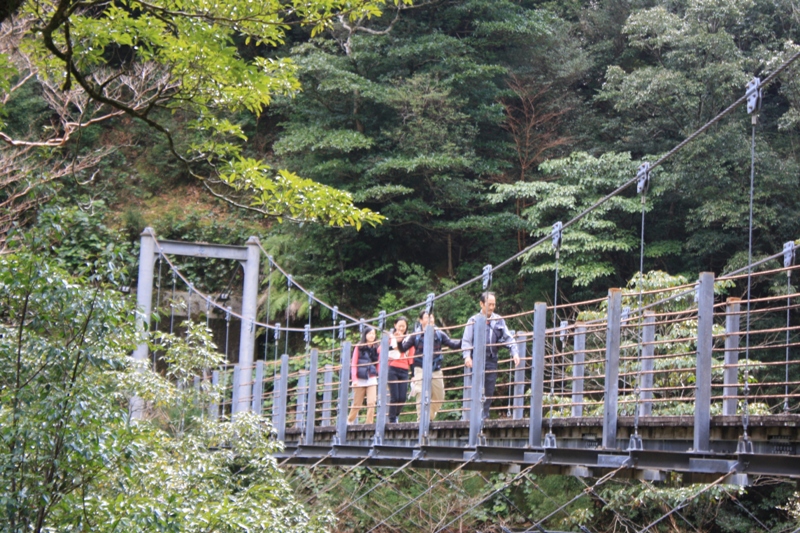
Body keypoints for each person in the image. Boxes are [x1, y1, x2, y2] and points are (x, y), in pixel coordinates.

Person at [462, 292, 520, 419]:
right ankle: (474, 417)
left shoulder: (498, 320)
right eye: (490, 304)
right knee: (476, 388)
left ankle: (484, 416)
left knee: (489, 389)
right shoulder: (473, 320)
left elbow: (508, 338)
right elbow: (466, 340)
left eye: (494, 304)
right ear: (482, 304)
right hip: (476, 360)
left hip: (491, 359)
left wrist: (514, 352)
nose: (492, 307)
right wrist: (467, 356)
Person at [401, 309, 461, 421]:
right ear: (420, 320)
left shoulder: (439, 333)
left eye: (432, 317)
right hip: (420, 368)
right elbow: (403, 348)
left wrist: (465, 340)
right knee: (420, 394)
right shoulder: (416, 335)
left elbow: (452, 344)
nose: (430, 319)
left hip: (435, 368)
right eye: (427, 318)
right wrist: (399, 341)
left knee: (440, 396)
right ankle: (421, 421)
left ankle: (428, 417)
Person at [348, 326, 379, 424]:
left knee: (371, 402)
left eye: (373, 334)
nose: (372, 336)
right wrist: (354, 379)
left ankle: (369, 423)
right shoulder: (359, 347)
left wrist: (378, 373)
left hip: (371, 377)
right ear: (365, 335)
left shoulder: (377, 347)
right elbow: (354, 363)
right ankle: (349, 420)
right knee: (357, 403)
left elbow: (379, 362)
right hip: (360, 378)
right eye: (370, 333)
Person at [387, 316, 414, 424]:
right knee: (395, 397)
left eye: (404, 326)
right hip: (392, 367)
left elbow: (411, 357)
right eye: (399, 326)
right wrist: (393, 347)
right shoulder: (390, 337)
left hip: (404, 369)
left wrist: (413, 373)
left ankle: (396, 415)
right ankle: (392, 420)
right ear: (395, 325)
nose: (402, 328)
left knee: (402, 398)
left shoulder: (409, 338)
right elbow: (380, 349)